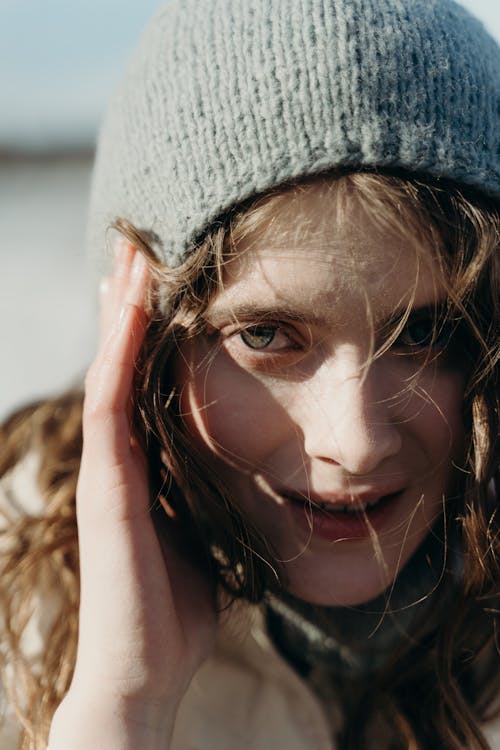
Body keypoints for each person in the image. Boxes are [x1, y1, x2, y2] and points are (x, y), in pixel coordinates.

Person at [0, 0, 499, 748]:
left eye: (425, 332)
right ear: (140, 349)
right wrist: (122, 710)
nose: (355, 443)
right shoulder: (19, 640)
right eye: (266, 335)